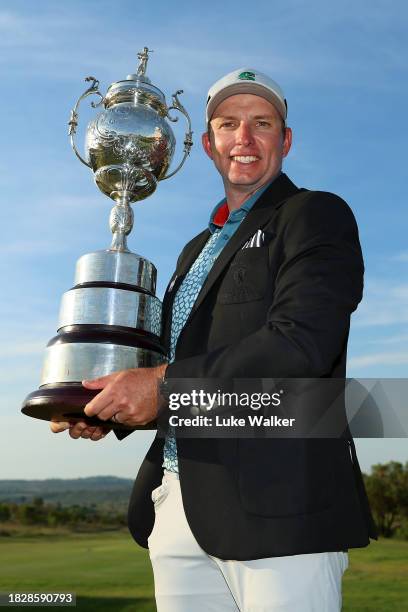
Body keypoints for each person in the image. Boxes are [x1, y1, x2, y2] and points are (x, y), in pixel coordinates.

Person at [52, 67, 377, 611]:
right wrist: (105, 405)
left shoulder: (313, 215)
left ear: (285, 140)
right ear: (208, 143)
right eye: (229, 124)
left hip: (280, 512)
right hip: (178, 504)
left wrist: (159, 386)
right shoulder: (193, 249)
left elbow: (300, 345)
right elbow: (185, 369)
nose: (243, 139)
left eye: (262, 123)